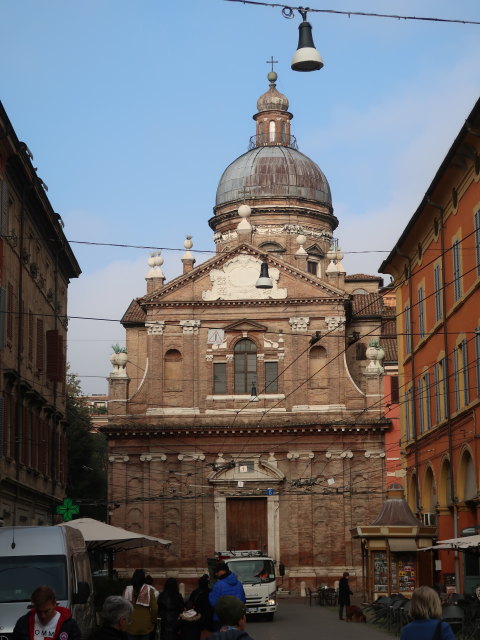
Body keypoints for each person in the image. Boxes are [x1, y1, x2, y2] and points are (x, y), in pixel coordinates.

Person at [12, 585, 81, 640]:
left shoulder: (69, 625)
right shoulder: (23, 623)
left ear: (54, 604)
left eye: (46, 611)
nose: (43, 616)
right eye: (39, 612)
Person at [123, 569, 158, 640]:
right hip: (146, 624)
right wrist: (153, 620)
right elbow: (154, 608)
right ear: (143, 579)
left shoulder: (127, 590)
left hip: (131, 624)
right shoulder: (149, 590)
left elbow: (122, 607)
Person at [209, 563, 245, 630]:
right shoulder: (239, 584)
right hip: (236, 619)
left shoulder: (218, 585)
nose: (216, 574)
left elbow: (213, 602)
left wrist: (210, 594)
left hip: (220, 620)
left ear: (223, 571)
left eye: (217, 571)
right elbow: (243, 600)